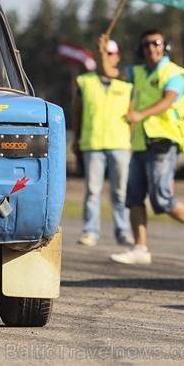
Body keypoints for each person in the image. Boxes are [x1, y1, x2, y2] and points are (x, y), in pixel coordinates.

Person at [98, 30, 184, 264]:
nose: (151, 47)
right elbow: (109, 73)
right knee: (132, 197)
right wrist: (103, 53)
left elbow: (169, 99)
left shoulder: (176, 73)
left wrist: (140, 113)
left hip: (164, 140)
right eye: (146, 45)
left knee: (161, 198)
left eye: (156, 43)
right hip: (141, 143)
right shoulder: (138, 72)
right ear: (140, 50)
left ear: (165, 46)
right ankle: (140, 248)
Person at [72, 40, 134, 247]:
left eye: (110, 53)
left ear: (117, 56)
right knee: (92, 191)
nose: (106, 56)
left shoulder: (126, 83)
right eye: (103, 53)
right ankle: (90, 231)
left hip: (119, 144)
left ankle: (123, 230)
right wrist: (77, 139)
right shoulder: (85, 82)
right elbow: (77, 113)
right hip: (93, 143)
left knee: (121, 192)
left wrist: (129, 141)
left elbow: (132, 115)